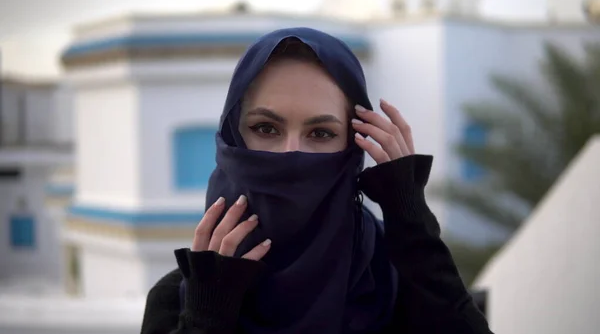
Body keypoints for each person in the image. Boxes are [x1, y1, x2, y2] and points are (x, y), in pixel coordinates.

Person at [140, 27, 493, 334]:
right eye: (266, 128)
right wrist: (206, 320)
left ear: (352, 146)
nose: (291, 154)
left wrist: (411, 220)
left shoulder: (395, 277)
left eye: (321, 133)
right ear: (233, 137)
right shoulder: (181, 299)